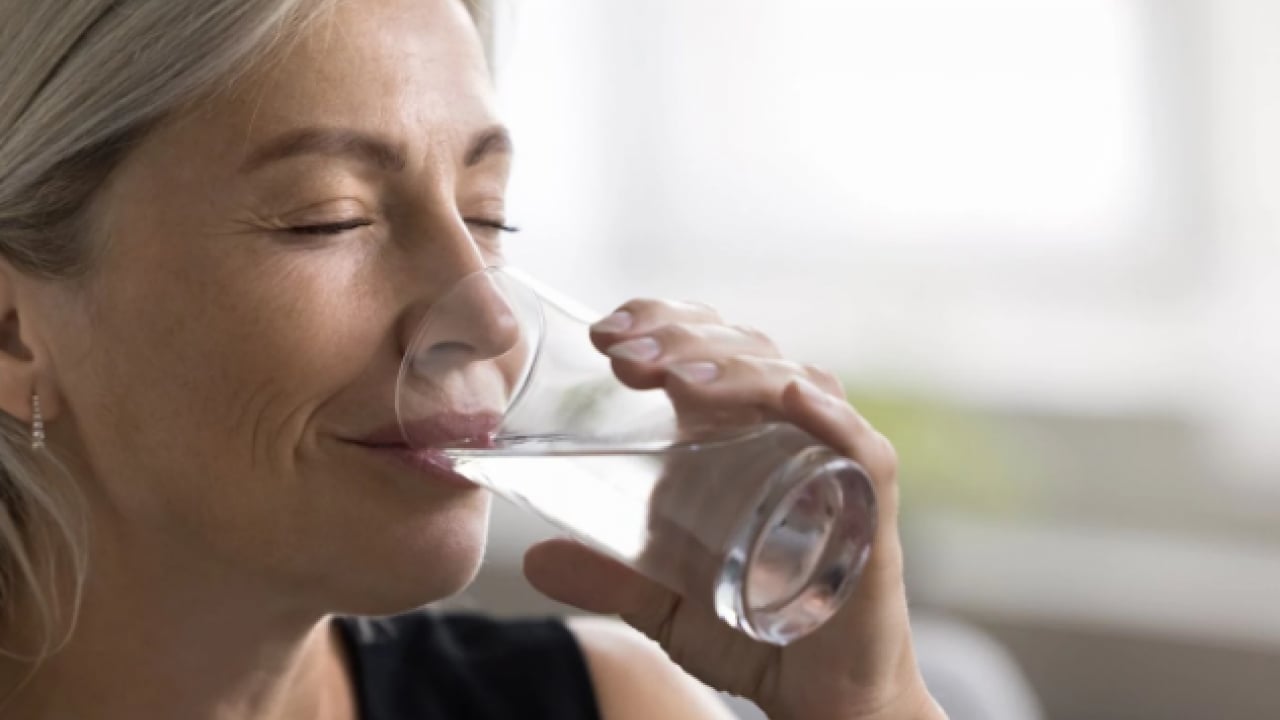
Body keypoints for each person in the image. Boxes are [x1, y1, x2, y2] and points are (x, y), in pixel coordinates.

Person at [0, 0, 946, 718]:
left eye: (487, 214)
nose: (492, 316)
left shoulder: (608, 705)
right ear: (13, 332)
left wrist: (867, 706)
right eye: (329, 218)